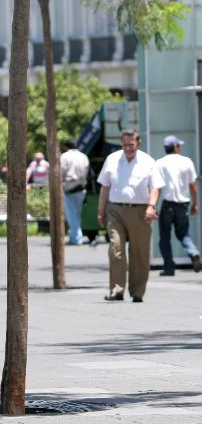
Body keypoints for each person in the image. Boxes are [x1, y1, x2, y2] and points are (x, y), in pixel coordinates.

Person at [97, 129, 165, 303]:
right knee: (116, 249)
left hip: (140, 211)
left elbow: (155, 187)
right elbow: (105, 186)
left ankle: (137, 291)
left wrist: (151, 206)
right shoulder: (112, 159)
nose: (128, 148)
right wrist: (101, 210)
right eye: (125, 145)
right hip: (115, 210)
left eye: (131, 145)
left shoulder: (148, 161)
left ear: (138, 144)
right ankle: (117, 290)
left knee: (139, 253)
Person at [155, 135, 201, 275]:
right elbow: (192, 185)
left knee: (164, 237)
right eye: (179, 145)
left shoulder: (160, 163)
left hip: (167, 204)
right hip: (183, 204)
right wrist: (195, 203)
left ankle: (169, 268)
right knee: (183, 234)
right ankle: (193, 252)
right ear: (175, 147)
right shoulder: (186, 161)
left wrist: (153, 206)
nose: (180, 147)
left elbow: (157, 187)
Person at [60, 139, 91, 245]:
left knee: (71, 214)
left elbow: (61, 171)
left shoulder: (64, 156)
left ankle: (76, 237)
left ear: (66, 147)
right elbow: (86, 171)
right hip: (81, 187)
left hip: (69, 187)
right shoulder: (83, 156)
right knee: (76, 213)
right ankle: (75, 236)